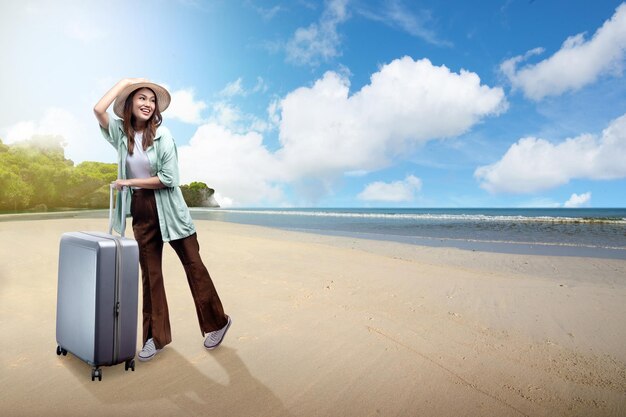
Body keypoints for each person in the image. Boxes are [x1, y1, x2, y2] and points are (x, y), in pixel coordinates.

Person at [94, 78, 231, 361]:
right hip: (142, 210)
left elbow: (169, 179)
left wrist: (127, 181)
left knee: (194, 266)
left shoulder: (164, 136)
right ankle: (155, 338)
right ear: (130, 103)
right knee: (151, 275)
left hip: (171, 208)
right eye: (141, 98)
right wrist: (126, 83)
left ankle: (218, 322)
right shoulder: (121, 133)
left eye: (152, 100)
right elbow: (98, 109)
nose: (147, 103)